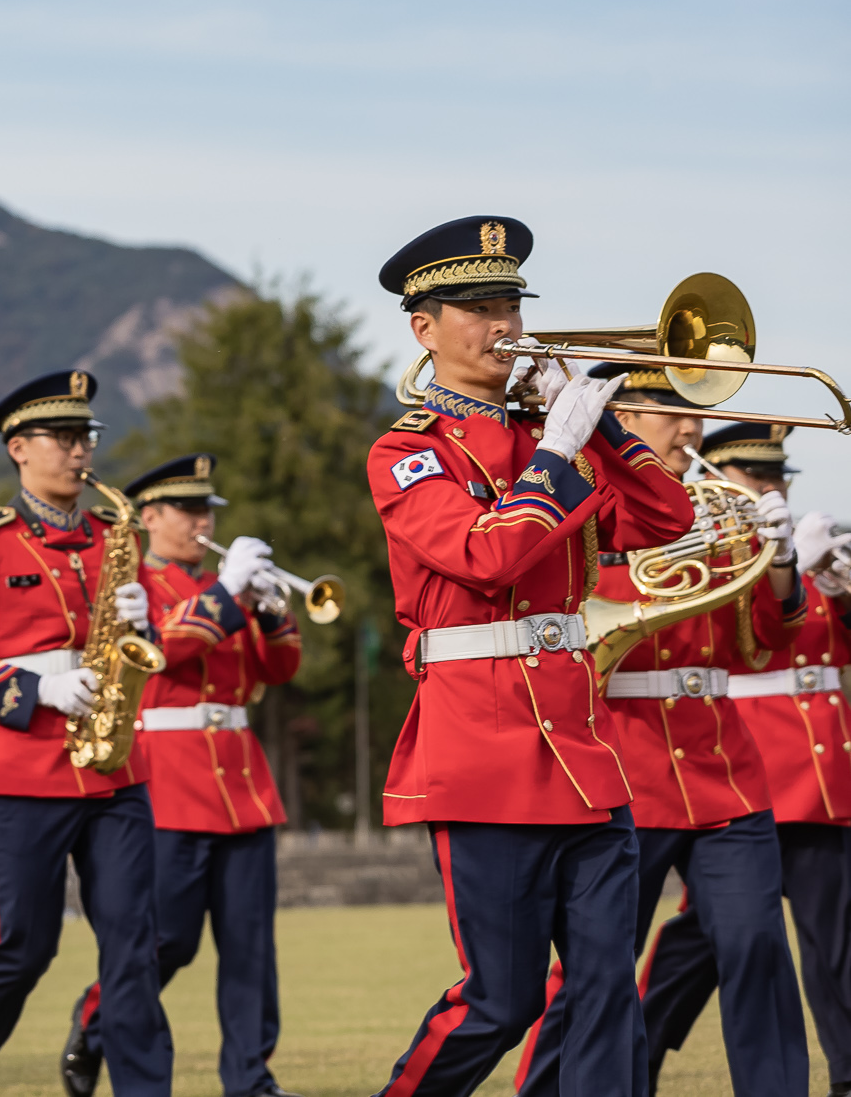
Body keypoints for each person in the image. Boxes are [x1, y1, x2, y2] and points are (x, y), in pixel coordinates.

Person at [364, 217, 694, 1097]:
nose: (504, 321)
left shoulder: (561, 437)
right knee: (500, 1002)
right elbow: (488, 554)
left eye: (510, 300)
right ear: (422, 326)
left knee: (602, 995)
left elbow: (669, 520)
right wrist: (557, 448)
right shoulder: (405, 450)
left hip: (586, 755)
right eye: (477, 306)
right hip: (482, 752)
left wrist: (606, 430)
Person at [512, 367, 809, 1095]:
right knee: (596, 964)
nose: (689, 430)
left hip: (723, 772)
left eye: (694, 415)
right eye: (667, 413)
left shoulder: (713, 514)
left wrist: (784, 563)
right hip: (624, 771)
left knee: (757, 944)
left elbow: (763, 645)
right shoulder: (580, 508)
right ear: (620, 423)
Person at [0, 368, 171, 1097]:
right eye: (64, 437)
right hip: (27, 769)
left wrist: (145, 621)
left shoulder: (113, 536)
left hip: (118, 770)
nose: (80, 451)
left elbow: (144, 652)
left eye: (86, 436)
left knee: (134, 946)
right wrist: (37, 688)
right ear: (20, 447)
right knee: (23, 947)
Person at [69, 454, 306, 1097]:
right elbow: (164, 652)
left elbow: (279, 670)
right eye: (188, 510)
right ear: (149, 517)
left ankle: (251, 1079)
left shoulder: (222, 590)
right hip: (168, 783)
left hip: (242, 782)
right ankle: (95, 1022)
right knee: (166, 941)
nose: (203, 521)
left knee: (251, 949)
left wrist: (268, 608)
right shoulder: (132, 587)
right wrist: (229, 593)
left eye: (208, 510)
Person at [635, 418, 851, 1095]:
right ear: (717, 474)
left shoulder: (785, 544)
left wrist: (834, 585)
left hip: (815, 779)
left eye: (776, 477)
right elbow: (753, 647)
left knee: (827, 944)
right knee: (699, 946)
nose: (771, 489)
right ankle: (627, 1055)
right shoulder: (705, 537)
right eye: (758, 477)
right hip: (743, 761)